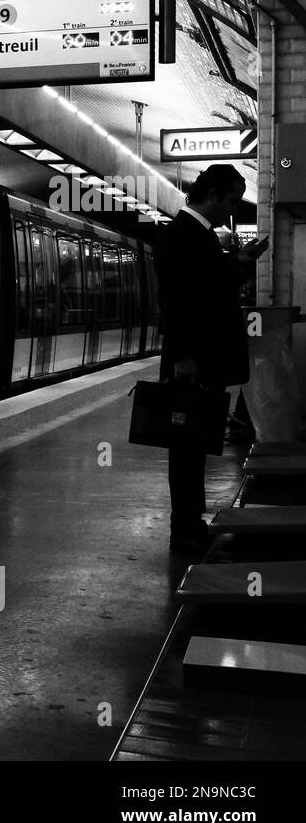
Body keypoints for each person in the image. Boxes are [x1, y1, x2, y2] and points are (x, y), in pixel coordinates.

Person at [154, 164, 268, 554]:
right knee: (187, 449)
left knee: (195, 446)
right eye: (233, 200)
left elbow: (210, 289)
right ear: (214, 194)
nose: (233, 209)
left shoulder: (199, 236)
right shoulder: (182, 235)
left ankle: (190, 525)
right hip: (193, 364)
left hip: (203, 361)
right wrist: (183, 356)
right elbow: (176, 300)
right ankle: (183, 531)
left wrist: (239, 263)